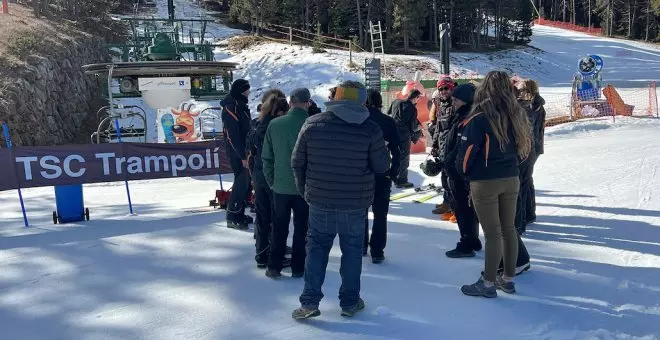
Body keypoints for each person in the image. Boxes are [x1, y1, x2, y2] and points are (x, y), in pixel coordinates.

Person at [291, 81, 390, 319]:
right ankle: (350, 302)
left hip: (319, 200)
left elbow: (297, 162)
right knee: (353, 252)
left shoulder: (312, 124)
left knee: (316, 250)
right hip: (355, 203)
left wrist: (306, 190)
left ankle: (309, 302)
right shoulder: (371, 129)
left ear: (336, 98)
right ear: (361, 100)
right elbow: (381, 166)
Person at [456, 70, 532, 298]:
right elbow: (524, 149)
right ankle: (507, 278)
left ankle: (488, 283)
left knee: (492, 233)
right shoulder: (515, 115)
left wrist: (464, 173)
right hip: (511, 178)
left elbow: (466, 155)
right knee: (508, 229)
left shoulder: (479, 118)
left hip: (485, 181)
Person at [262, 88, 312, 279]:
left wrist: (272, 181)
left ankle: (274, 266)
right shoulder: (311, 124)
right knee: (302, 229)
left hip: (280, 186)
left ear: (290, 102)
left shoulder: (275, 124)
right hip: (304, 188)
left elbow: (266, 157)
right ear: (308, 103)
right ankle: (298, 267)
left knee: (279, 227)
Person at [247, 89, 291, 269]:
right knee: (276, 217)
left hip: (258, 173)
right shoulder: (277, 126)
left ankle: (261, 252)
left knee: (262, 216)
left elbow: (249, 148)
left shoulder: (257, 123)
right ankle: (275, 254)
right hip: (272, 175)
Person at [443, 83, 482, 258]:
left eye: (456, 99)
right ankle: (472, 239)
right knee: (466, 208)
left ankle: (467, 242)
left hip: (461, 173)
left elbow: (462, 148)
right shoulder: (461, 116)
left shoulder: (469, 118)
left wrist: (452, 166)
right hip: (457, 170)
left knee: (464, 208)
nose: (453, 102)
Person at [363, 89, 401, 263]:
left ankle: (360, 245)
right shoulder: (388, 122)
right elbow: (397, 150)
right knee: (380, 213)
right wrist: (394, 172)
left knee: (360, 211)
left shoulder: (360, 120)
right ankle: (377, 250)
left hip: (361, 173)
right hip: (382, 171)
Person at [221, 78, 253, 230]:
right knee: (241, 181)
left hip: (245, 149)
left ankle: (239, 212)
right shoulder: (231, 107)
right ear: (241, 90)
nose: (249, 92)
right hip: (237, 151)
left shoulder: (241, 105)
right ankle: (232, 215)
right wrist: (242, 156)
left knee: (246, 182)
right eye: (247, 89)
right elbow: (233, 135)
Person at [429, 77, 456, 218]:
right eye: (440, 89)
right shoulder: (441, 105)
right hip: (442, 147)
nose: (443, 91)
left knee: (452, 179)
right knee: (445, 178)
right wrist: (434, 145)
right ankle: (447, 202)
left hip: (452, 148)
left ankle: (455, 207)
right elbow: (438, 129)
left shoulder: (455, 104)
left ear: (451, 88)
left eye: (446, 88)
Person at [387, 90, 423, 189]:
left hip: (391, 133)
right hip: (403, 136)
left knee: (392, 155)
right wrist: (420, 128)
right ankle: (402, 180)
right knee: (403, 157)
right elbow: (413, 127)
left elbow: (388, 115)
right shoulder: (412, 108)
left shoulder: (396, 102)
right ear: (416, 97)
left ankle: (391, 177)